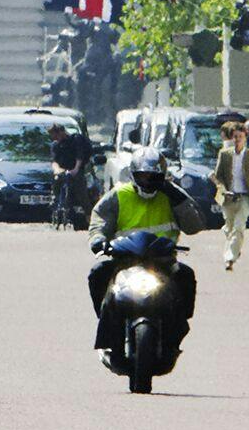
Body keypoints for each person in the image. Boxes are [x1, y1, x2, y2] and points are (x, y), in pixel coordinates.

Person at [86, 149, 207, 352]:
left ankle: (177, 328)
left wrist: (176, 196)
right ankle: (107, 324)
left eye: (154, 177)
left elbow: (195, 225)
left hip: (163, 261)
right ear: (133, 174)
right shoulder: (118, 195)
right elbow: (100, 220)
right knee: (98, 273)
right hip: (124, 260)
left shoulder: (172, 194)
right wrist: (98, 240)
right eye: (143, 176)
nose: (149, 181)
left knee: (186, 275)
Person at [210, 118, 249, 271]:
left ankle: (230, 258)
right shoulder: (224, 154)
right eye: (235, 137)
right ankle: (235, 246)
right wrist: (223, 189)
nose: (237, 140)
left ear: (245, 137)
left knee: (239, 227)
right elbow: (218, 177)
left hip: (244, 197)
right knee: (229, 228)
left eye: (240, 137)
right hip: (228, 198)